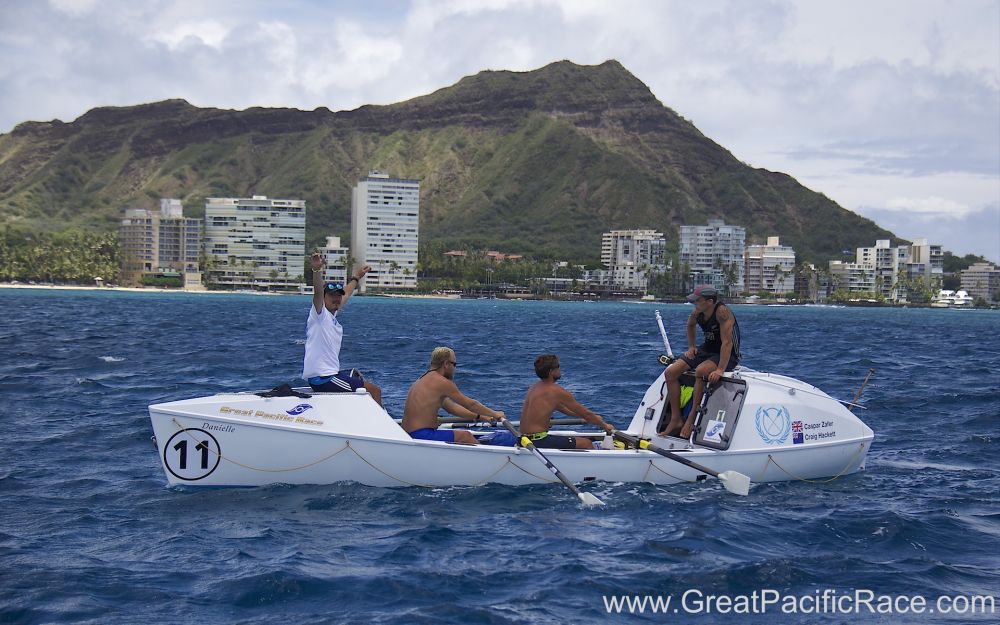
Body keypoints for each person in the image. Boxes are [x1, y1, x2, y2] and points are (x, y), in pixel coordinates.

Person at [659, 284, 741, 440]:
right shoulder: (698, 311)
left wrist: (720, 370)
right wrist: (691, 346)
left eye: (698, 300)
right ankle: (676, 419)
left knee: (701, 371)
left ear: (710, 301)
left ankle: (691, 419)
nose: (694, 303)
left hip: (726, 354)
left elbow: (727, 343)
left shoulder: (722, 313)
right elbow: (690, 325)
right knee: (670, 372)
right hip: (707, 349)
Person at [302, 251, 382, 405]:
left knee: (357, 379)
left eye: (338, 296)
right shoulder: (320, 315)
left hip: (329, 376)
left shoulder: (331, 316)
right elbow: (318, 291)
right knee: (374, 391)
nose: (337, 299)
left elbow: (347, 293)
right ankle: (381, 426)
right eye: (332, 296)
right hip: (323, 379)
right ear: (324, 298)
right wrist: (317, 270)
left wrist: (357, 277)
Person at [402, 347, 505, 444]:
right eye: (454, 364)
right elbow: (471, 405)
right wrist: (495, 413)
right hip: (420, 435)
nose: (454, 369)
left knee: (464, 435)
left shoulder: (422, 380)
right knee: (465, 436)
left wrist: (481, 417)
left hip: (408, 434)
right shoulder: (442, 382)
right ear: (446, 364)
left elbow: (452, 408)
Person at [519, 354, 615, 449]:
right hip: (538, 441)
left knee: (582, 439)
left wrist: (588, 418)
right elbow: (587, 414)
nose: (560, 369)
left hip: (524, 439)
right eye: (558, 366)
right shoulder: (555, 390)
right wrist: (605, 426)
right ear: (551, 371)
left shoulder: (534, 387)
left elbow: (564, 409)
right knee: (586, 443)